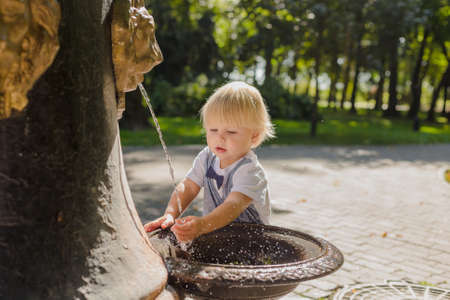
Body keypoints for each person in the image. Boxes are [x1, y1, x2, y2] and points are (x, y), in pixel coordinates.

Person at [144, 81, 275, 242]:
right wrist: (170, 214)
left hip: (251, 243)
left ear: (254, 136)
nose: (220, 137)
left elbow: (233, 205)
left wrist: (203, 225)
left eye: (231, 132)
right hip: (216, 235)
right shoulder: (207, 157)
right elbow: (189, 186)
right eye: (213, 130)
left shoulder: (250, 171)